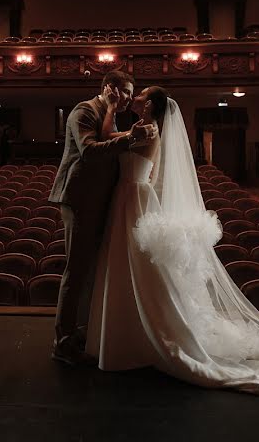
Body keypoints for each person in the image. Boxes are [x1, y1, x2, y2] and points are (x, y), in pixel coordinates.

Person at [86, 86, 259, 394]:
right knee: (130, 266)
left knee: (140, 268)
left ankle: (149, 332)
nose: (135, 97)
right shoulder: (146, 127)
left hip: (133, 197)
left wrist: (109, 108)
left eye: (141, 96)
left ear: (150, 105)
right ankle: (131, 328)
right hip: (133, 194)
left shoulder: (146, 128)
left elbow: (104, 137)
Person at [48, 71, 157, 366]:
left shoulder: (113, 115)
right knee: (77, 269)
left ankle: (83, 332)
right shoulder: (84, 110)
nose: (128, 100)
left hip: (101, 200)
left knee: (93, 270)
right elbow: (90, 152)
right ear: (110, 89)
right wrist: (127, 135)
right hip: (80, 199)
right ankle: (63, 342)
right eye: (125, 93)